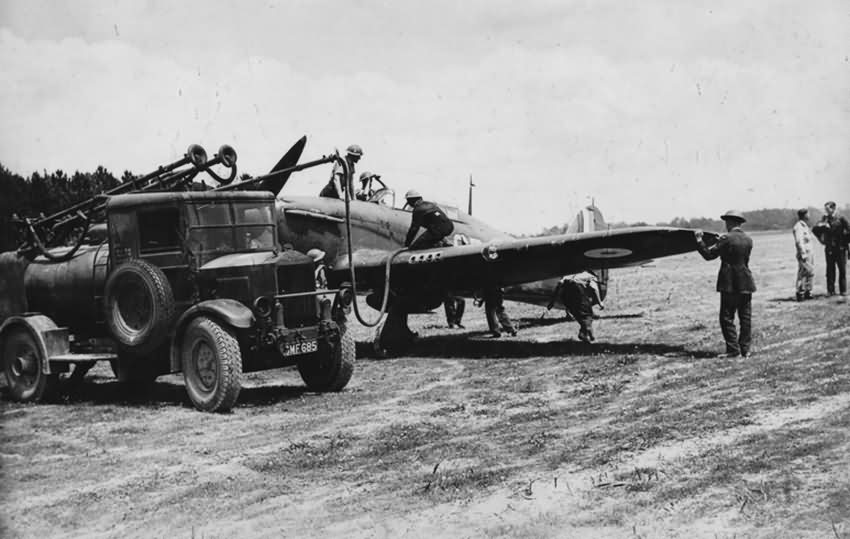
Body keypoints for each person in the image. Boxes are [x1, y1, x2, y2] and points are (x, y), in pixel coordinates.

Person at [695, 210, 756, 358]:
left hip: (729, 283)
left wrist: (699, 240)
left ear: (729, 222)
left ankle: (733, 350)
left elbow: (709, 255)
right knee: (745, 317)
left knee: (727, 317)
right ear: (740, 223)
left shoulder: (726, 239)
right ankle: (745, 350)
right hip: (746, 282)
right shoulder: (749, 240)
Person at [547, 271, 604, 343]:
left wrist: (552, 302)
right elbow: (594, 288)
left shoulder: (567, 276)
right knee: (587, 318)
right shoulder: (588, 276)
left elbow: (559, 286)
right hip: (581, 299)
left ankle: (584, 334)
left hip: (569, 301)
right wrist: (600, 302)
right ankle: (590, 336)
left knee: (581, 318)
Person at [812, 201, 849, 296]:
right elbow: (815, 229)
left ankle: (843, 290)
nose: (826, 211)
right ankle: (830, 290)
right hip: (829, 248)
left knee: (842, 270)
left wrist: (845, 242)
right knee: (830, 270)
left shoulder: (841, 219)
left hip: (840, 248)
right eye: (825, 209)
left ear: (833, 209)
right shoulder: (824, 219)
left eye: (828, 209)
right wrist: (821, 239)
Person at [792, 208, 815, 301]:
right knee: (804, 273)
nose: (809, 215)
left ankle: (807, 292)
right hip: (804, 253)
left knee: (809, 273)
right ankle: (800, 293)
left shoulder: (804, 226)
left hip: (809, 253)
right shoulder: (799, 227)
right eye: (808, 214)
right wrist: (803, 253)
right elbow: (799, 241)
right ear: (804, 215)